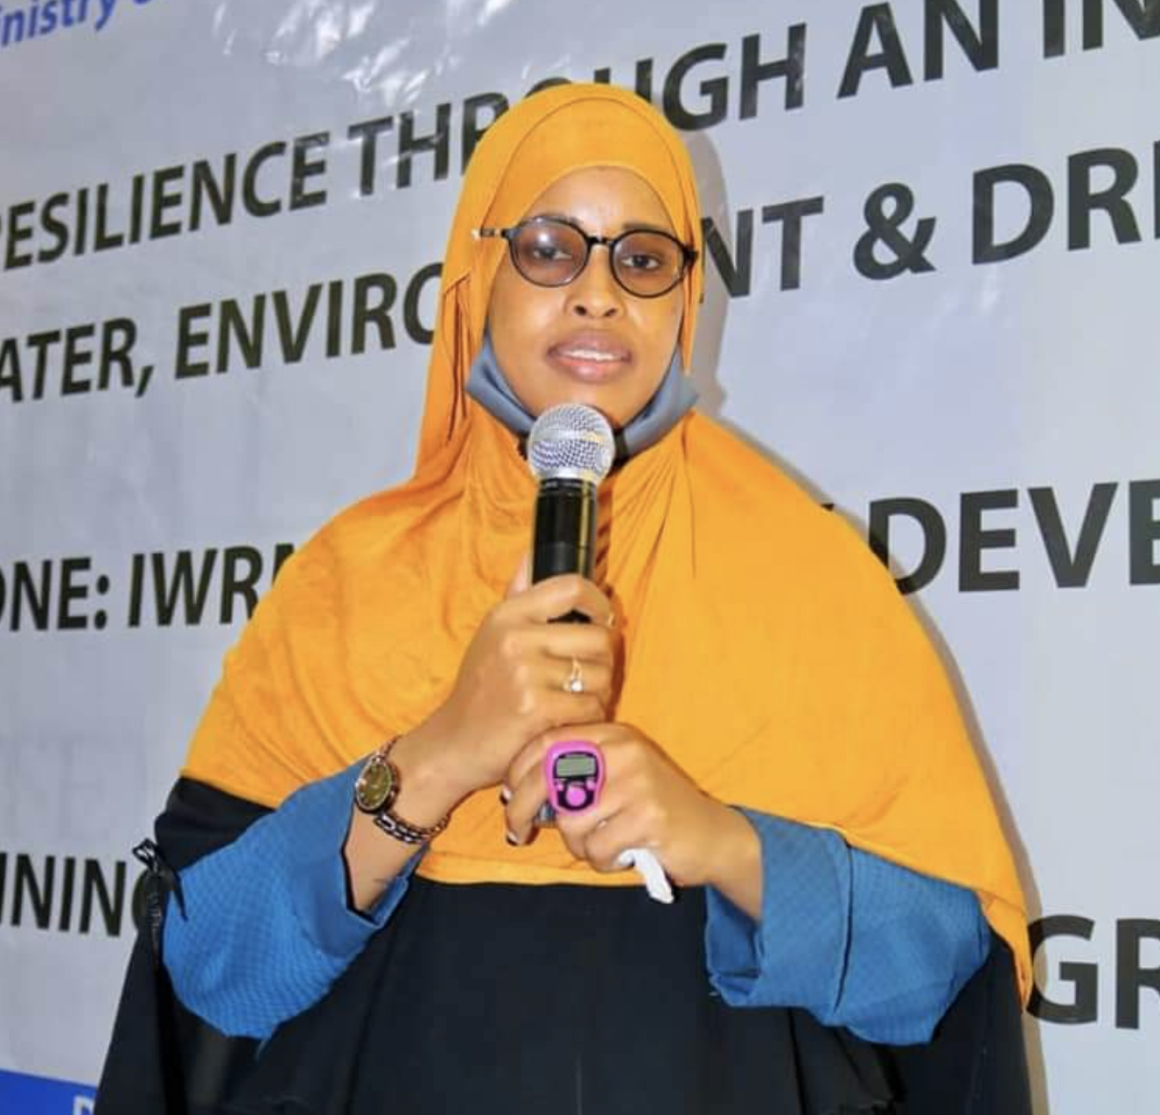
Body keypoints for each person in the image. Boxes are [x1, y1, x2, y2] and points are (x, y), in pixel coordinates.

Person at [96, 83, 1033, 1115]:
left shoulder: (814, 577)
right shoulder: (345, 582)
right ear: (477, 276)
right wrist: (436, 756)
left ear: (685, 297)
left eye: (643, 259)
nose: (597, 294)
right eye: (549, 248)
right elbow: (212, 970)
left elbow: (941, 978)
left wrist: (723, 841)